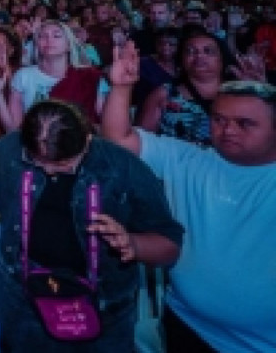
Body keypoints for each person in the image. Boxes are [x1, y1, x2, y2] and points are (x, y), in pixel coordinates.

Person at [0, 100, 183, 351]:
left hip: (103, 306)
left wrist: (134, 244)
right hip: (22, 299)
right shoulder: (10, 151)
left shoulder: (122, 167)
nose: (50, 171)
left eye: (62, 165)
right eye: (38, 162)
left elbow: (169, 244)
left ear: (86, 141)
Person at [102, 44, 276, 353]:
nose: (228, 130)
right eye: (219, 120)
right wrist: (121, 87)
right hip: (188, 326)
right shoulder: (189, 160)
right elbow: (119, 139)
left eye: (245, 123)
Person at [0, 19, 106, 132]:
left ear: (69, 45)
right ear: (37, 45)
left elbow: (105, 125)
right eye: (43, 36)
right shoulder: (23, 76)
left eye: (56, 35)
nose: (49, 40)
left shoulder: (89, 77)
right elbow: (12, 131)